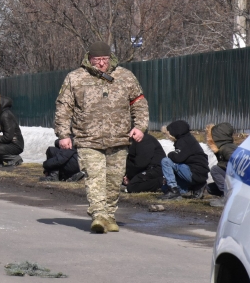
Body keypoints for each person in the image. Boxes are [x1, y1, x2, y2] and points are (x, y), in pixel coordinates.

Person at [54, 41, 148, 234]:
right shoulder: (76, 78)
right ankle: (98, 215)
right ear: (89, 59)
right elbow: (63, 108)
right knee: (95, 178)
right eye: (97, 60)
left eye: (104, 59)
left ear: (110, 58)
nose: (101, 64)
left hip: (119, 138)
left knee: (113, 180)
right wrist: (63, 134)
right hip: (88, 138)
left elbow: (139, 102)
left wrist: (140, 126)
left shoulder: (124, 76)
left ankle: (109, 216)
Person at [160, 120, 209, 200]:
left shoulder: (184, 141)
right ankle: (195, 187)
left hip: (194, 172)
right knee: (164, 189)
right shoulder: (188, 139)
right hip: (197, 173)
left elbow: (177, 158)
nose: (168, 136)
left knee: (166, 161)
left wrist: (170, 154)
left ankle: (174, 191)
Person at [0, 97, 24, 167]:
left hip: (15, 145)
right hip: (10, 143)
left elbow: (8, 137)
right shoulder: (1, 114)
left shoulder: (6, 115)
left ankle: (15, 159)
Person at [206, 123, 239, 207]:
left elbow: (236, 165)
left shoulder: (227, 148)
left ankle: (227, 197)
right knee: (210, 188)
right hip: (233, 179)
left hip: (237, 180)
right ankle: (227, 195)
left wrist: (221, 165)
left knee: (215, 169)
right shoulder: (223, 148)